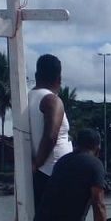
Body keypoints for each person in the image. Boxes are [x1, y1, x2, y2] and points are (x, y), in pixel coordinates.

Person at [29, 54, 73, 209]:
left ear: (36, 76)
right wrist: (37, 164)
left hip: (41, 172)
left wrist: (34, 166)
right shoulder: (52, 100)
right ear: (59, 79)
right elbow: (50, 136)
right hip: (55, 173)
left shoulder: (27, 98)